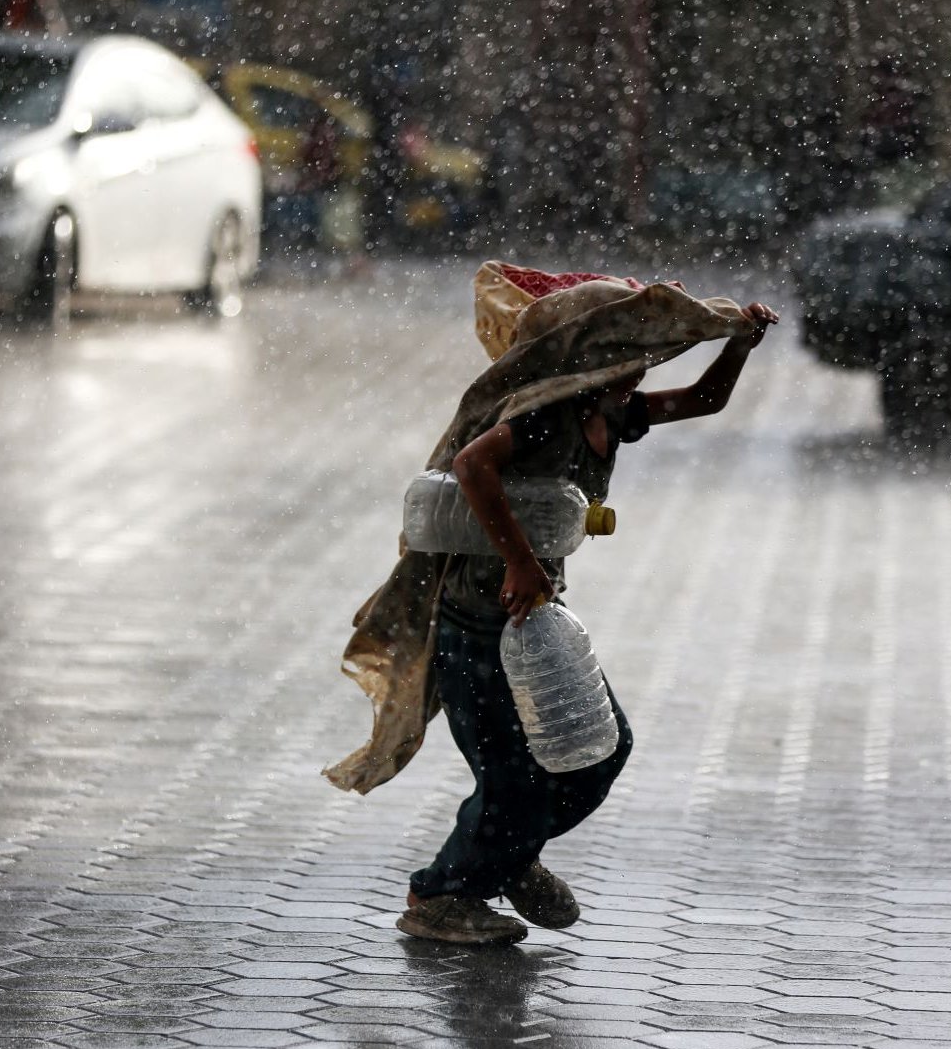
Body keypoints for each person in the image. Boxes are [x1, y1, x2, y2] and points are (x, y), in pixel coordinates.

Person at [323, 262, 777, 946]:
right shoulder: (547, 415)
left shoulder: (613, 410)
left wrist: (738, 345)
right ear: (591, 355)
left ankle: (504, 859)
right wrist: (520, 562)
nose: (641, 368)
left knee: (599, 751)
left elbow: (702, 402)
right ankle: (441, 895)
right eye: (627, 354)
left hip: (531, 622)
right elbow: (475, 466)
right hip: (477, 626)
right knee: (513, 782)